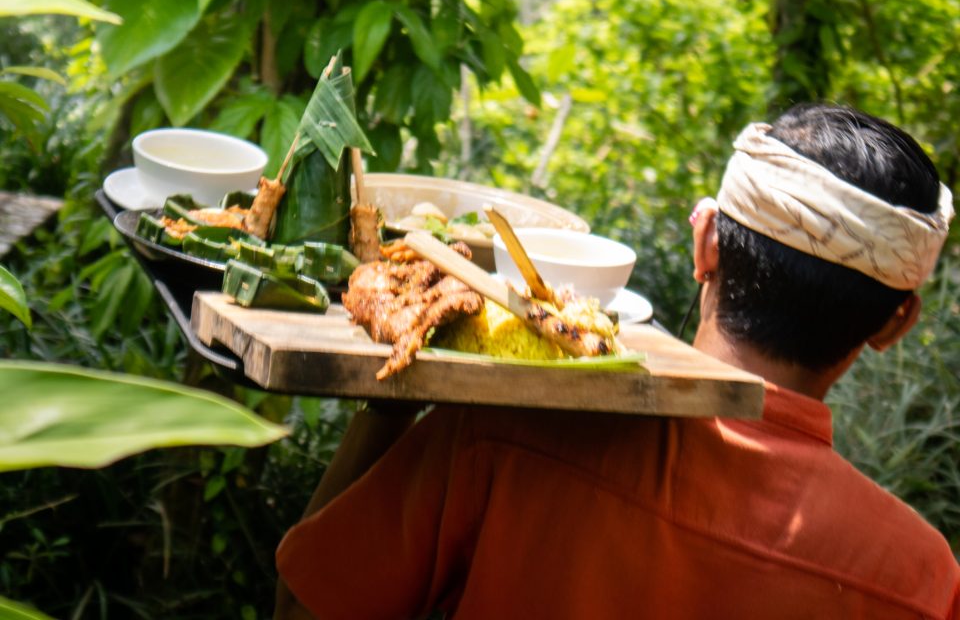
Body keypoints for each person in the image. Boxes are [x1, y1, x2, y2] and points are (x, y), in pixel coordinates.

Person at [273, 104, 959, 619]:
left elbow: (305, 604)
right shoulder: (921, 581)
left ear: (706, 245)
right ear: (896, 323)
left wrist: (392, 408)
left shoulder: (507, 434)